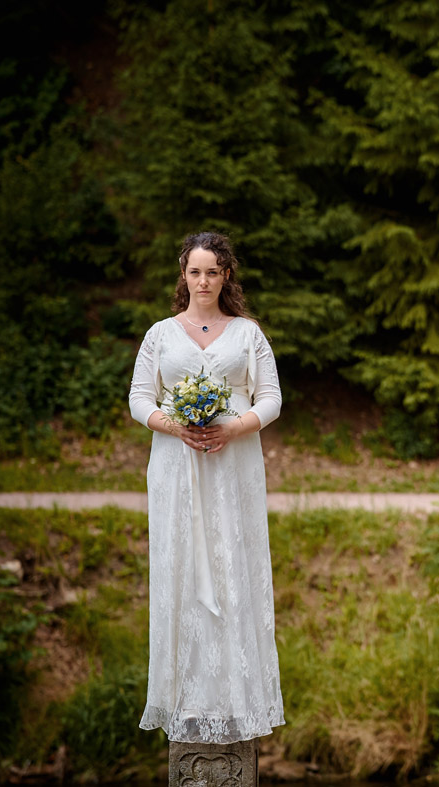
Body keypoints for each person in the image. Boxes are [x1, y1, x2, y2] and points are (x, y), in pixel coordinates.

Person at [128, 231, 284, 744]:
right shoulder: (159, 334)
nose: (202, 281)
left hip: (233, 467)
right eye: (194, 272)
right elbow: (138, 398)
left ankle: (237, 698)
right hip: (176, 467)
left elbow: (271, 399)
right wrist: (173, 425)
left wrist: (234, 427)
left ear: (226, 277)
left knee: (231, 567)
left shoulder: (247, 334)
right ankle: (185, 698)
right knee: (180, 570)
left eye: (212, 272)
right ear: (183, 276)